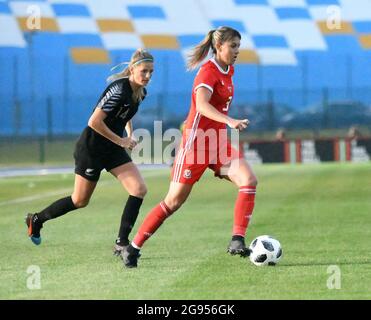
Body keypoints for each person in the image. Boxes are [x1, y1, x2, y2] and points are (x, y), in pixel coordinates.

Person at [122, 26, 257, 268]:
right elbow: (202, 106)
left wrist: (225, 126)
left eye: (239, 45)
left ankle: (237, 239)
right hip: (195, 146)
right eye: (233, 46)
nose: (237, 50)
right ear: (219, 47)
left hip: (218, 144)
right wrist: (230, 121)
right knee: (173, 202)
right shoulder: (208, 72)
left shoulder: (229, 71)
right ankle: (133, 248)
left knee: (248, 181)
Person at [25, 49, 154, 257]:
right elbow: (94, 122)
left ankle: (121, 243)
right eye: (144, 71)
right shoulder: (119, 89)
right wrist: (122, 140)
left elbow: (125, 114)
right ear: (132, 69)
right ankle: (37, 219)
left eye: (151, 72)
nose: (148, 76)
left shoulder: (140, 92)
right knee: (80, 201)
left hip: (112, 149)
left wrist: (129, 133)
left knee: (138, 189)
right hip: (92, 148)